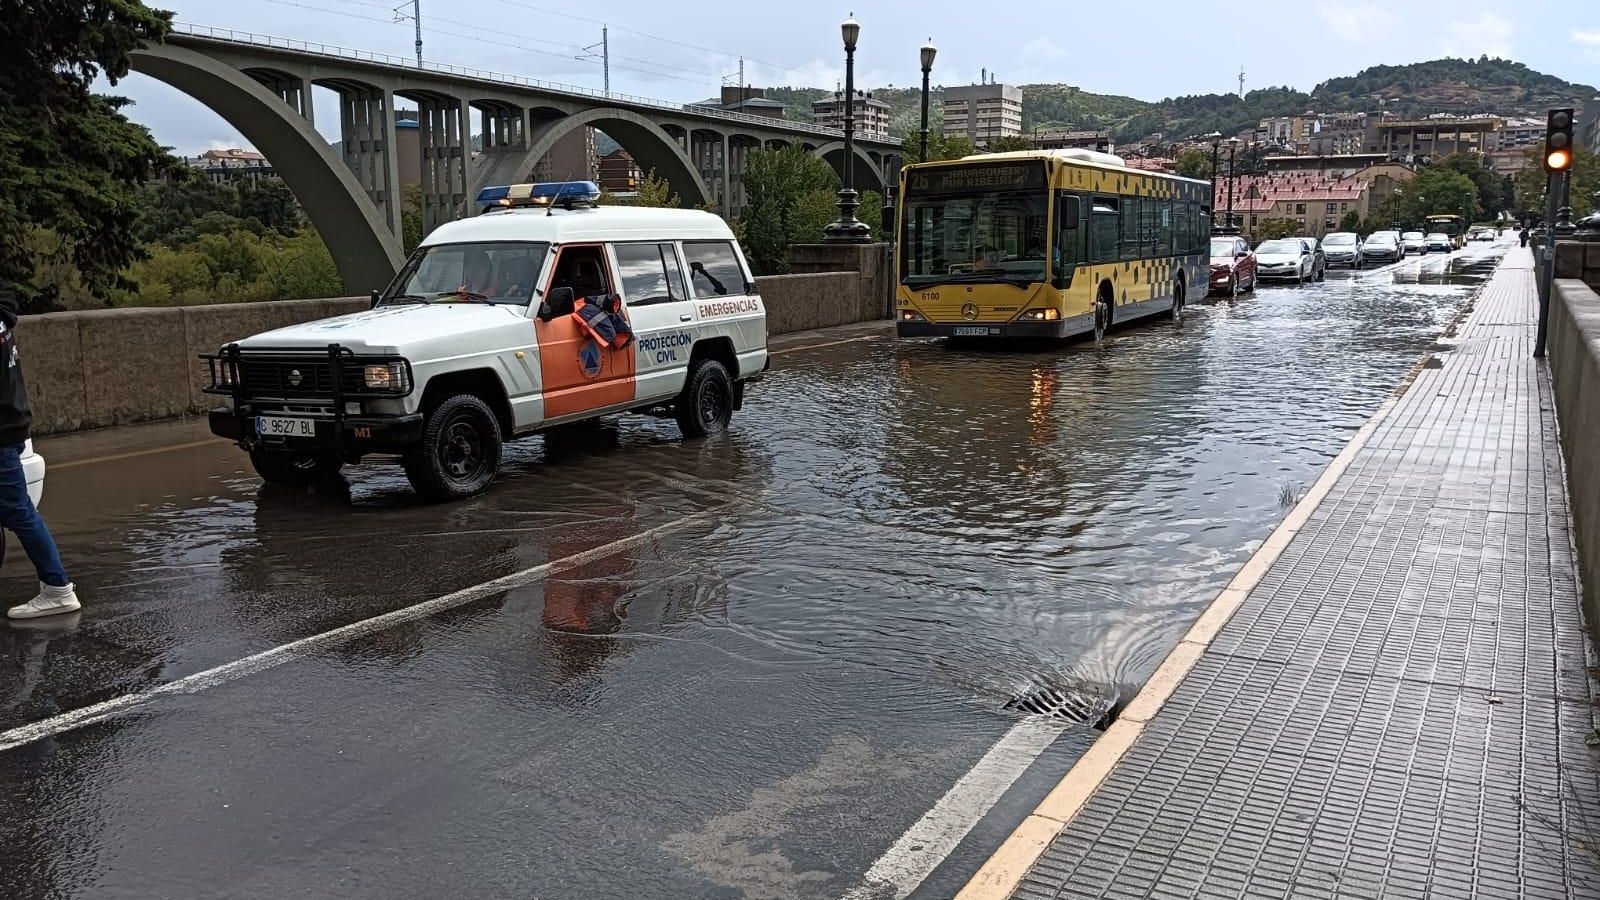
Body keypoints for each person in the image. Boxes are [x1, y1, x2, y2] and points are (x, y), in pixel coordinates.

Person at [0, 289, 79, 619]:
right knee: (18, 511)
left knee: (19, 513)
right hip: (11, 423)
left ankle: (58, 589)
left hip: (1, 432)